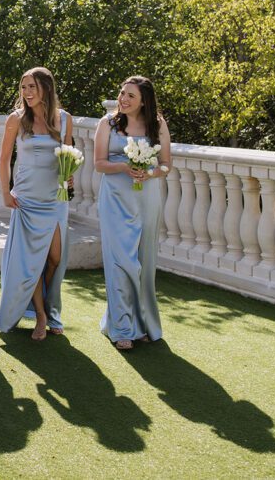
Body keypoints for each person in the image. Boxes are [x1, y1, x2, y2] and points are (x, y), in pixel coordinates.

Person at [0, 67, 74, 340]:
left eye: (32, 87)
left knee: (54, 259)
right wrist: (5, 193)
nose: (26, 93)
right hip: (26, 199)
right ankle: (41, 315)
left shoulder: (64, 119)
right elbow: (3, 159)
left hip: (54, 199)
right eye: (24, 87)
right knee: (32, 262)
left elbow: (67, 156)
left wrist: (69, 176)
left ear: (46, 89)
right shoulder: (16, 119)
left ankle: (49, 308)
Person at [95, 76, 171, 350]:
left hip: (146, 198)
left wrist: (149, 173)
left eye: (130, 96)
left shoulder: (157, 125)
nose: (123, 100)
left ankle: (144, 322)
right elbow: (99, 164)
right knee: (120, 261)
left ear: (144, 102)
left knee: (144, 261)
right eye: (122, 93)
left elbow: (165, 166)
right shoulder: (108, 124)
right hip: (115, 197)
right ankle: (121, 328)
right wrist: (125, 168)